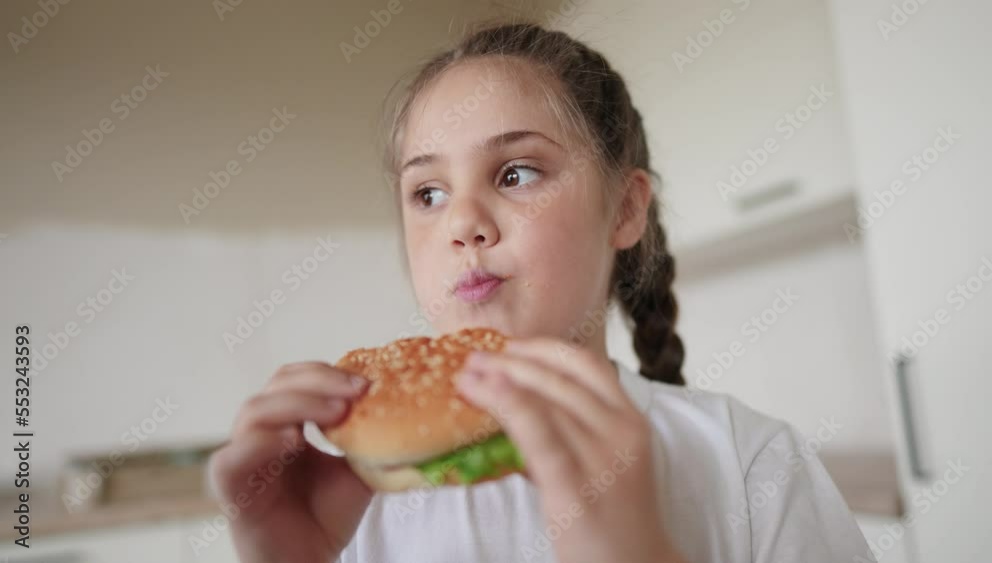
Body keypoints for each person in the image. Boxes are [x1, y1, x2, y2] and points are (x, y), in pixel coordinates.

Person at [208, 22, 872, 563]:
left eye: (517, 172)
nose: (463, 223)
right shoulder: (355, 497)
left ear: (624, 209)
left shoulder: (751, 460)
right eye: (428, 193)